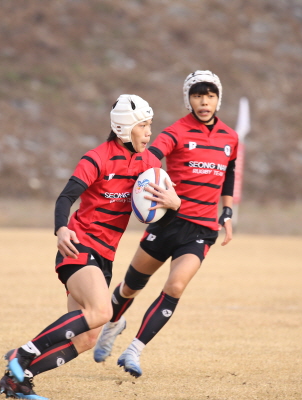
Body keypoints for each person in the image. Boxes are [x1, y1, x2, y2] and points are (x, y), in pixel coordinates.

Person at [0, 94, 181, 399]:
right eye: (143, 125)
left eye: (150, 125)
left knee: (87, 338)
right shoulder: (97, 157)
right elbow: (65, 198)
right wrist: (61, 228)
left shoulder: (150, 164)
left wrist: (174, 205)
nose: (150, 132)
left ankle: (17, 381)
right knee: (102, 311)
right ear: (124, 128)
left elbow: (161, 217)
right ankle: (24, 353)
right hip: (79, 247)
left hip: (105, 258)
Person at [93, 70, 238, 378]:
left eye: (210, 96)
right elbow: (148, 158)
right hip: (168, 223)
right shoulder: (176, 132)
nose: (204, 102)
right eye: (197, 96)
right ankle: (113, 325)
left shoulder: (230, 137)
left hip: (201, 230)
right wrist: (143, 188)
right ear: (188, 99)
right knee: (130, 286)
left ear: (218, 99)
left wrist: (226, 212)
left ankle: (134, 350)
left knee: (175, 286)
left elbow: (229, 173)